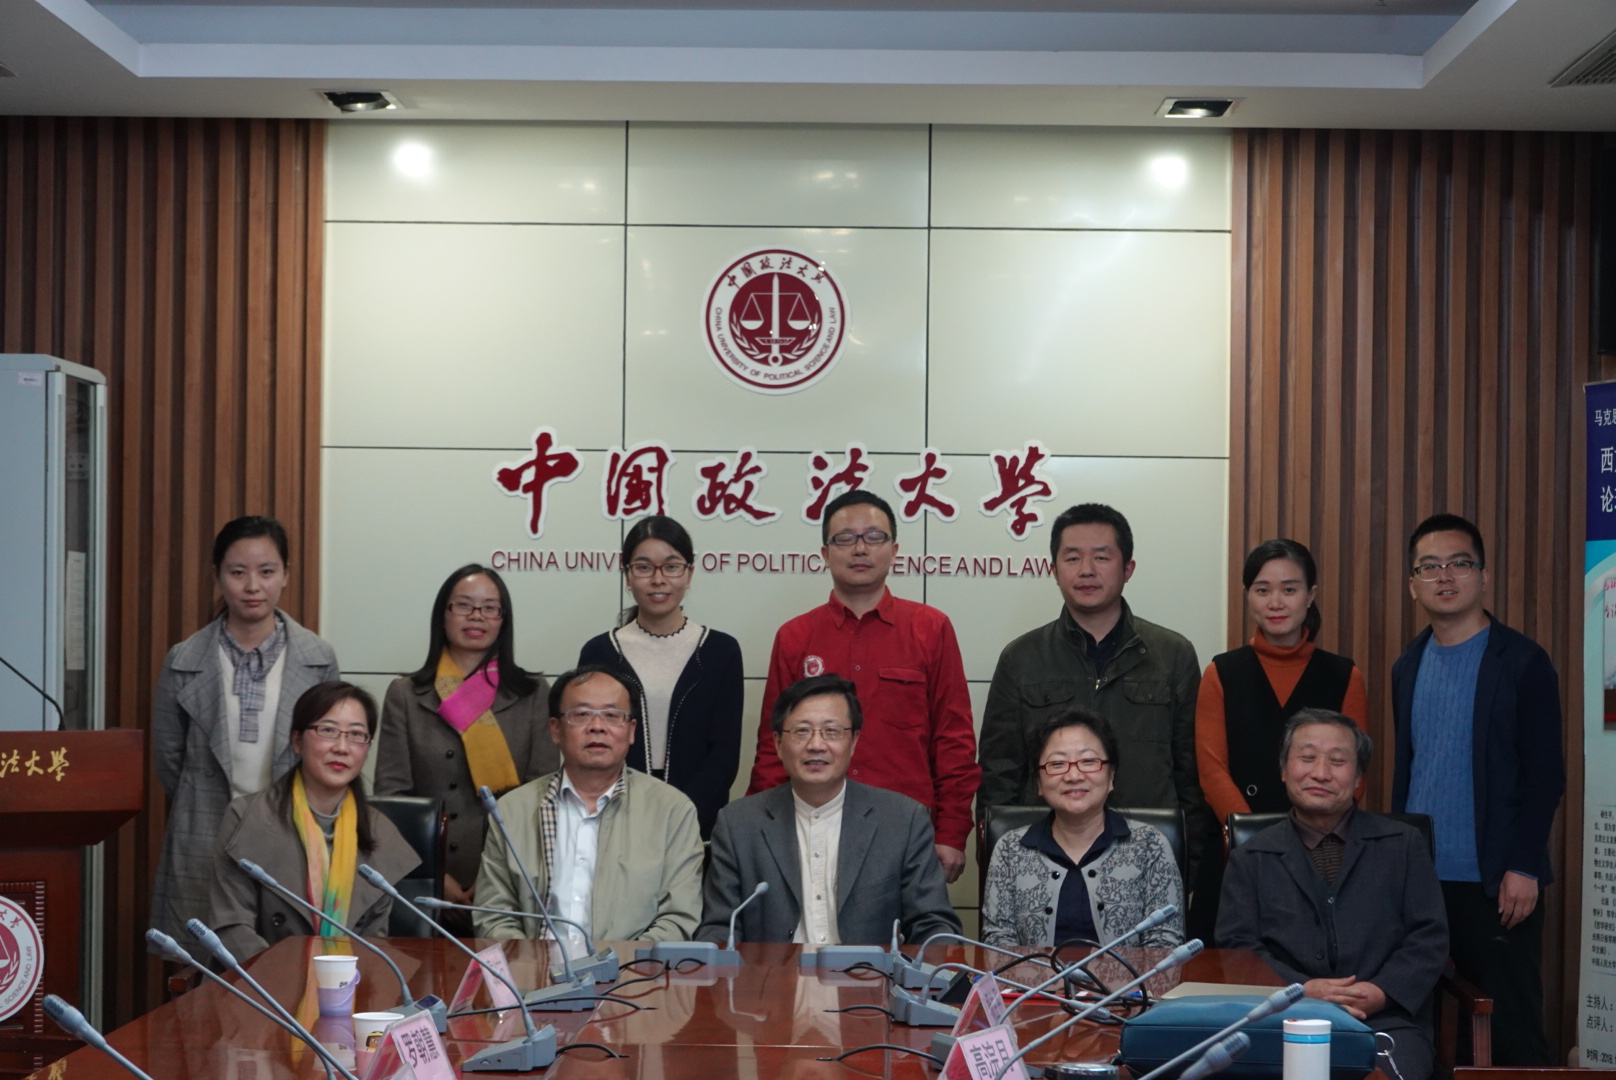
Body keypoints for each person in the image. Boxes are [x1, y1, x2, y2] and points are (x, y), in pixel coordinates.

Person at [977, 503, 1218, 936]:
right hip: (1044, 863)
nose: (1086, 570)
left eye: (1102, 557)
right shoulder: (1022, 658)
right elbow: (999, 771)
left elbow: (1192, 774)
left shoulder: (1172, 655)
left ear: (1128, 568)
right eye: (1072, 558)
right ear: (1054, 569)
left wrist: (1191, 867)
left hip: (1146, 865)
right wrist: (999, 859)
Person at [1391, 513, 1565, 1066]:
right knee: (1431, 1027)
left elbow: (1546, 775)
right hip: (1423, 881)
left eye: (1459, 563)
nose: (1445, 576)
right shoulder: (1408, 664)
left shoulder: (1523, 662)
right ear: (1413, 584)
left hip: (1497, 883)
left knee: (1508, 1029)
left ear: (1484, 576)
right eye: (1429, 567)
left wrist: (1524, 865)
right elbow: (1409, 770)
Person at [745, 489, 978, 884]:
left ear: (894, 550)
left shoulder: (930, 629)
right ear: (825, 553)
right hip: (808, 826)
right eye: (845, 538)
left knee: (906, 927)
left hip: (906, 830)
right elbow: (773, 746)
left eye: (873, 537)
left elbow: (953, 739)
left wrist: (952, 832)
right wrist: (760, 832)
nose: (860, 549)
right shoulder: (795, 636)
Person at [1218, 709, 1447, 1080]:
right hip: (1282, 1018)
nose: (1321, 773)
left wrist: (1381, 992)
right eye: (1307, 758)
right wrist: (1301, 990)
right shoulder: (1252, 856)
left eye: (1337, 761)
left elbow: (1429, 937)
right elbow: (1237, 948)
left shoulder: (1402, 845)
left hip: (1385, 1022)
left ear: (1357, 777)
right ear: (1283, 769)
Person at [152, 516, 340, 944]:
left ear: (286, 575)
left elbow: (328, 751)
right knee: (206, 965)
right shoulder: (183, 660)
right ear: (217, 576)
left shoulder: (318, 658)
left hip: (292, 833)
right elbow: (170, 760)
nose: (253, 586)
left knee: (289, 962)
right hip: (205, 833)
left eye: (267, 571)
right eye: (238, 572)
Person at [700, 675, 961, 945]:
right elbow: (719, 928)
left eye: (831, 731)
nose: (816, 745)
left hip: (871, 972)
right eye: (802, 731)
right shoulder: (738, 824)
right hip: (770, 972)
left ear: (854, 741)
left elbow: (934, 925)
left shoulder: (903, 821)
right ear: (778, 743)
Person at [375, 563, 556, 934]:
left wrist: (493, 877)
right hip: (426, 883)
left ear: (503, 620)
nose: (477, 616)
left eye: (490, 607)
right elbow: (392, 801)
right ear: (443, 615)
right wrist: (434, 874)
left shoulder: (534, 694)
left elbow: (543, 797)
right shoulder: (406, 695)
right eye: (464, 605)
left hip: (510, 879)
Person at [473, 665, 704, 942]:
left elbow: (678, 917)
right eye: (581, 714)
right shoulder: (511, 810)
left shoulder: (672, 810)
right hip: (533, 967)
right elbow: (494, 915)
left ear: (631, 731)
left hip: (634, 968)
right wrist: (531, 963)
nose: (597, 726)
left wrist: (626, 964)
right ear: (555, 729)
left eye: (612, 715)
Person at [208, 681, 420, 960]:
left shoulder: (381, 834)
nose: (342, 747)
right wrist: (287, 980)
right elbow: (232, 928)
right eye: (328, 730)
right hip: (260, 979)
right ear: (297, 741)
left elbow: (374, 944)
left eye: (357, 735)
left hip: (348, 983)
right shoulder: (246, 817)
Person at [578, 515, 743, 839]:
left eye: (671, 567)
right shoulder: (599, 652)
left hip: (696, 828)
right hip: (614, 823)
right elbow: (587, 746)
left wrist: (683, 817)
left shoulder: (720, 651)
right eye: (644, 567)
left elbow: (724, 755)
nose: (658, 579)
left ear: (689, 573)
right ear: (627, 576)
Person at [1197, 538, 1370, 824]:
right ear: (1248, 596)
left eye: (1289, 590)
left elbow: (1354, 770)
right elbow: (1212, 772)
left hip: (1321, 834)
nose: (1275, 603)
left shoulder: (1344, 675)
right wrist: (1251, 835)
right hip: (1241, 837)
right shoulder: (1221, 673)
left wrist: (1312, 833)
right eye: (1262, 590)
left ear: (1310, 595)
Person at [982, 709, 1183, 950]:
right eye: (1057, 764)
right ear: (1038, 782)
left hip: (1131, 977)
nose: (1074, 775)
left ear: (1111, 775)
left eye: (1088, 761)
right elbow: (998, 943)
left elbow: (1164, 944)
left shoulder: (1150, 845)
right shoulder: (1010, 849)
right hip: (1032, 976)